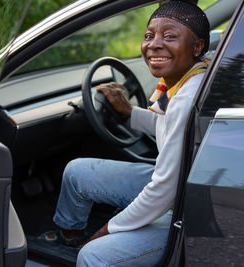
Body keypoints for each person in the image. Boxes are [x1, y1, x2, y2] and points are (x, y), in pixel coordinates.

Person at [41, 1, 210, 266]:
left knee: (93, 255)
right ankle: (70, 239)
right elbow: (168, 127)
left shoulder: (187, 98)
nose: (153, 44)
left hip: (186, 209)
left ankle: (83, 250)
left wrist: (106, 230)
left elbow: (163, 191)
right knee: (77, 172)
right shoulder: (193, 77)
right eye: (148, 35)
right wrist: (128, 112)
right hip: (177, 186)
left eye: (169, 36)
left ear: (197, 46)